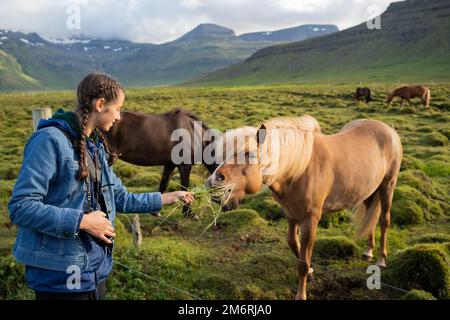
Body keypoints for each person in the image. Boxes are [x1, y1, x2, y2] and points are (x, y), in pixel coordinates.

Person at [8, 73, 195, 300]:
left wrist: (168, 198)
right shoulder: (49, 141)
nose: (119, 116)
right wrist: (83, 221)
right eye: (117, 108)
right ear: (100, 105)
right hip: (61, 273)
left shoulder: (95, 147)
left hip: (95, 269)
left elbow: (120, 198)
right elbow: (21, 207)